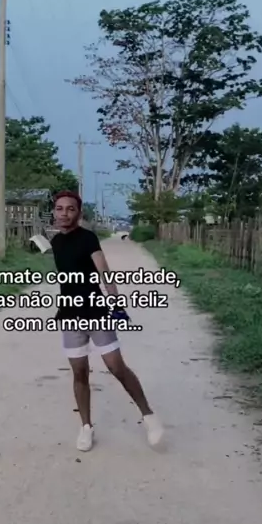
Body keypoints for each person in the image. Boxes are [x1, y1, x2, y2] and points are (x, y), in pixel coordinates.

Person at [51, 190, 164, 452]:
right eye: (59, 208)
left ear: (79, 213)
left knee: (116, 367)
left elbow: (104, 273)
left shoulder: (88, 238)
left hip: (96, 311)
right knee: (79, 372)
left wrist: (116, 305)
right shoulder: (55, 242)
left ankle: (149, 416)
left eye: (70, 209)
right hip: (69, 314)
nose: (64, 213)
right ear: (54, 212)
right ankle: (86, 427)